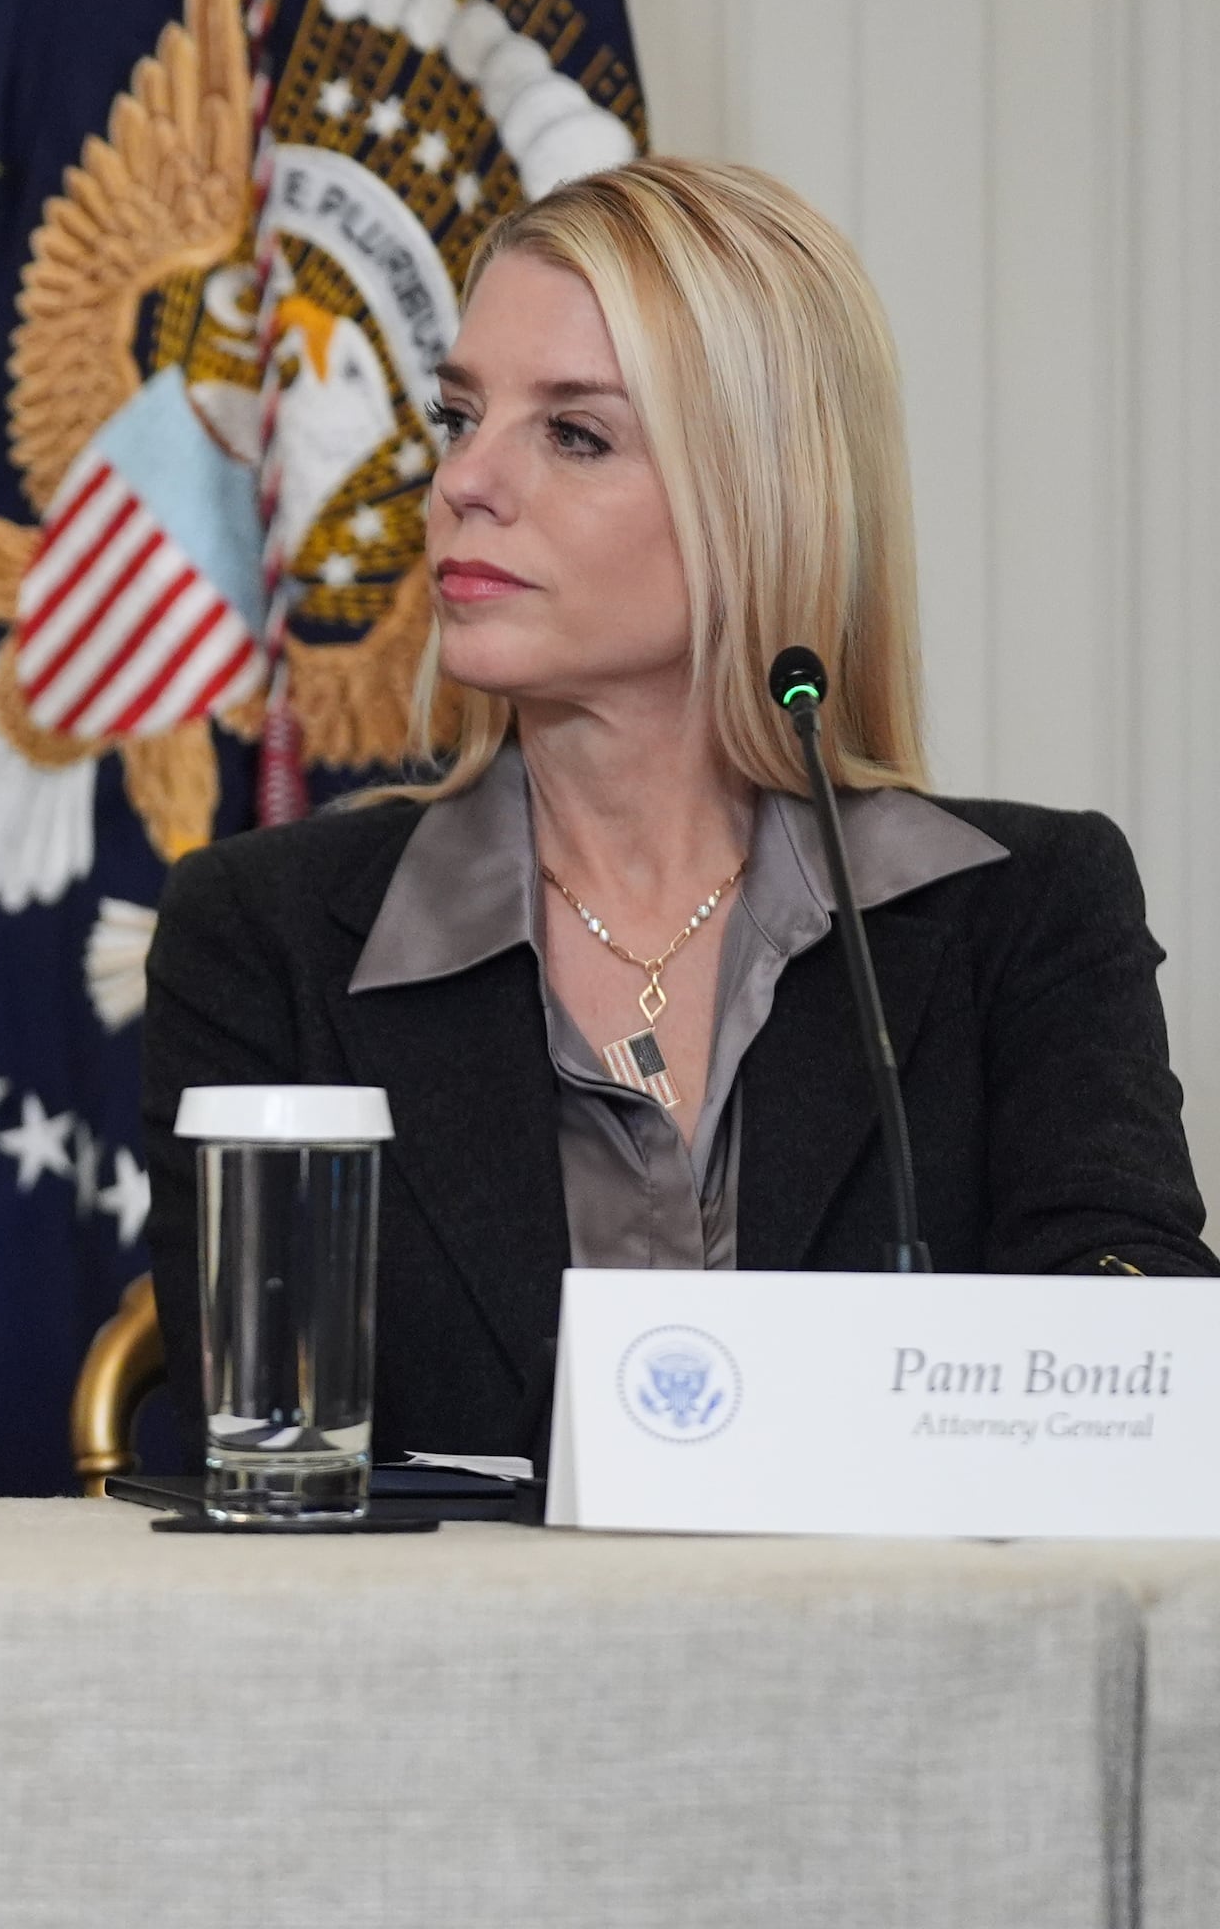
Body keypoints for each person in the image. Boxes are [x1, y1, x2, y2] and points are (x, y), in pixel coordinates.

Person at [143, 157, 1208, 1463]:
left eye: (574, 433)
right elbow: (235, 1438)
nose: (466, 481)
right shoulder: (268, 934)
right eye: (458, 416)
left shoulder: (1025, 908)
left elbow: (1133, 1367)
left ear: (759, 500)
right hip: (447, 1663)